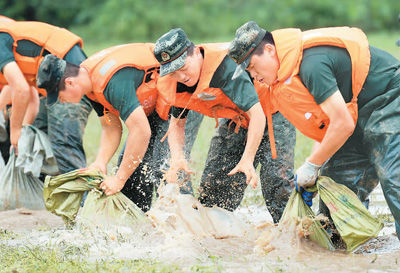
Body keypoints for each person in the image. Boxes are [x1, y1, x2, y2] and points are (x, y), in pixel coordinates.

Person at [228, 21, 400, 238]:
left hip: (389, 98)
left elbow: (343, 123)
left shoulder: (311, 64)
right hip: (355, 114)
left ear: (270, 50)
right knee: (335, 197)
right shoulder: (288, 75)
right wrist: (313, 167)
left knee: (394, 177)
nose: (254, 76)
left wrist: (311, 165)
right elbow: (328, 123)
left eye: (252, 67)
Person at [36, 43, 199, 212]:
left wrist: (119, 179)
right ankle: (138, 224)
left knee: (164, 165)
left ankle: (187, 225)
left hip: (181, 97)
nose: (62, 101)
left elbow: (141, 131)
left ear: (69, 83)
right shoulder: (89, 81)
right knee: (131, 170)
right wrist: (100, 162)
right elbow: (110, 127)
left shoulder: (111, 82)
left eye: (59, 96)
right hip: (155, 105)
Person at [154, 28, 295, 223]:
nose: (181, 76)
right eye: (173, 72)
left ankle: (295, 238)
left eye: (184, 68)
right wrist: (177, 158)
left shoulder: (225, 67)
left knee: (277, 182)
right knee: (216, 186)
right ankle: (216, 242)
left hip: (271, 114)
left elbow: (257, 115)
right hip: (235, 119)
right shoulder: (176, 83)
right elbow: (177, 124)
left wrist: (247, 159)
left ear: (195, 52)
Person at [0, 16, 91, 172]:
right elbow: (31, 98)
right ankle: (44, 194)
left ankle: (78, 191)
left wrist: (15, 132)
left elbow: (21, 89)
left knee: (62, 144)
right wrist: (24, 133)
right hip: (53, 87)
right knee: (37, 146)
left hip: (71, 76)